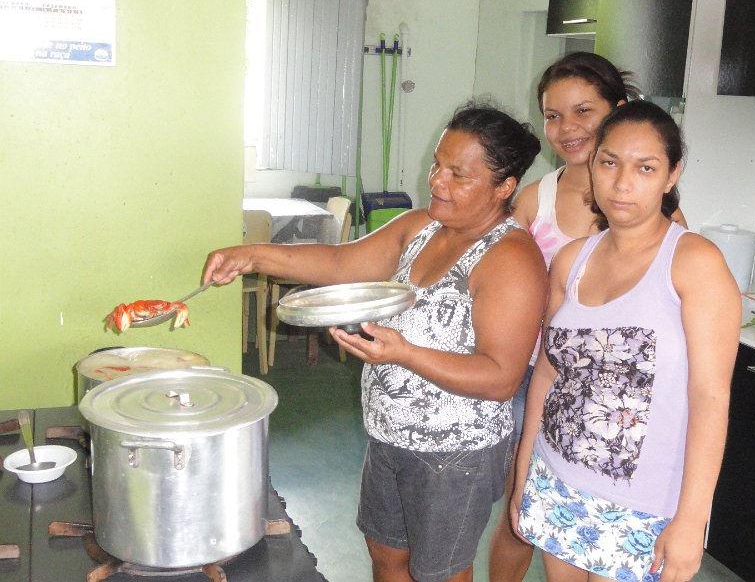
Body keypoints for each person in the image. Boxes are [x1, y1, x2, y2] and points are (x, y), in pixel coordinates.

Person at [203, 103, 548, 582]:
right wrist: (250, 255)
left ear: (504, 187)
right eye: (436, 164)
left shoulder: (511, 259)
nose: (437, 181)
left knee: (440, 573)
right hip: (389, 434)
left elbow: (500, 378)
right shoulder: (422, 226)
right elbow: (342, 264)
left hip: (455, 455)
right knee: (387, 559)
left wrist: (403, 353)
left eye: (458, 174)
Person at [510, 100, 741, 582]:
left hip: (647, 503)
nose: (622, 183)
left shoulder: (694, 263)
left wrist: (691, 520)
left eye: (646, 167)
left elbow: (711, 397)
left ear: (671, 175)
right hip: (559, 480)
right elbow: (549, 374)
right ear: (592, 164)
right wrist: (523, 476)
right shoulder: (572, 261)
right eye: (609, 162)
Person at [489, 52, 686, 581]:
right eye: (553, 116)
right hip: (539, 374)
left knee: (597, 539)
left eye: (583, 111)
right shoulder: (535, 199)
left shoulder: (653, 207)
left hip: (619, 400)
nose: (567, 128)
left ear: (618, 111)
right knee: (518, 517)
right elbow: (498, 277)